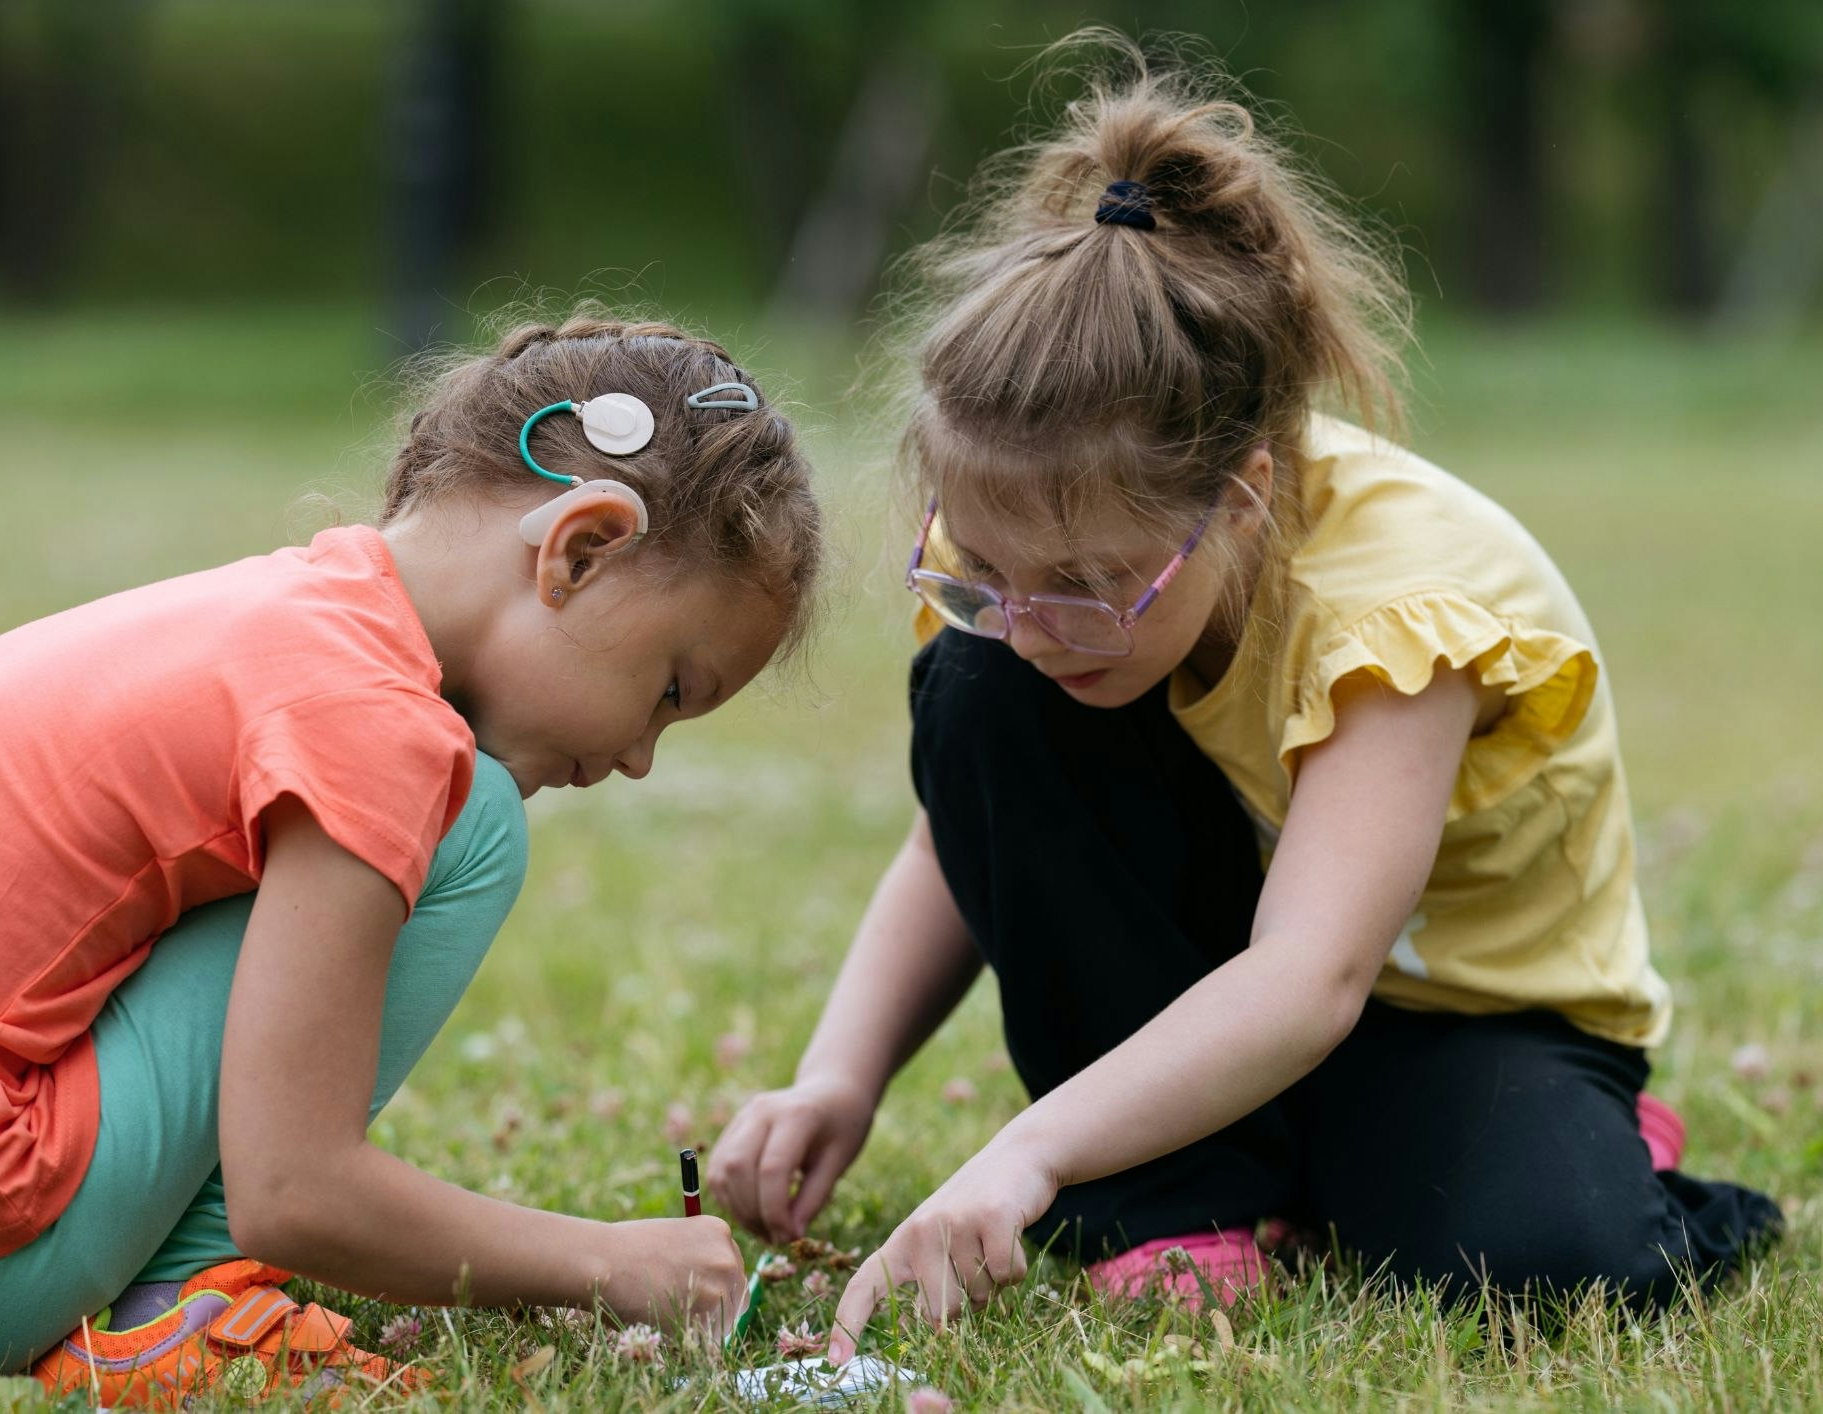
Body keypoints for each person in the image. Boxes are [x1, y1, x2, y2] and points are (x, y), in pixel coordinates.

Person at [707, 37, 1780, 1361]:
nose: (1036, 620)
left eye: (1090, 582)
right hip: (1223, 976)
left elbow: (1311, 976)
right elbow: (968, 837)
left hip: (1447, 1015)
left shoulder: (1391, 616)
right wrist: (839, 1073)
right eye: (983, 570)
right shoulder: (1036, 602)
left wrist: (1026, 1148)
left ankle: (1548, 1143)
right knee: (977, 687)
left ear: (1248, 498)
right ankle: (1180, 1198)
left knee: (1545, 1266)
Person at [0, 313, 823, 1405]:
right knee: (469, 812)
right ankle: (174, 1312)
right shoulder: (377, 724)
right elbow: (294, 1192)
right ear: (580, 547)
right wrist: (608, 1260)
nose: (636, 758)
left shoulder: (295, 611)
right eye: (671, 691)